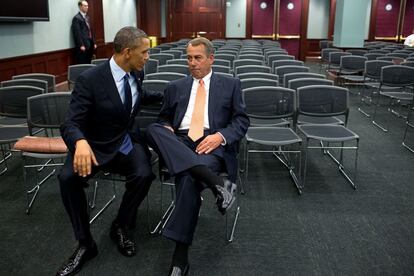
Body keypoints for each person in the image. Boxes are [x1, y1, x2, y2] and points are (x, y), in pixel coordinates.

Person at [56, 26, 162, 276]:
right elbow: (70, 123)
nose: (148, 57)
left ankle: (121, 226)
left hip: (125, 141)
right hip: (93, 145)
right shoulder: (91, 80)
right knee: (67, 179)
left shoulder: (136, 71)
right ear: (127, 52)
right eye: (144, 52)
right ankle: (85, 244)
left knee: (144, 175)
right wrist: (80, 142)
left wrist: (169, 96)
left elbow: (136, 96)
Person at [146, 37, 249, 275]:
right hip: (179, 140)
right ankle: (218, 184)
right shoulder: (175, 87)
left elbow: (241, 120)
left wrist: (220, 136)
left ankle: (180, 256)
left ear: (211, 58)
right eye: (189, 58)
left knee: (188, 179)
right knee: (153, 129)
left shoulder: (231, 84)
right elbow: (163, 118)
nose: (192, 63)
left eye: (198, 58)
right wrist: (167, 127)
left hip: (210, 143)